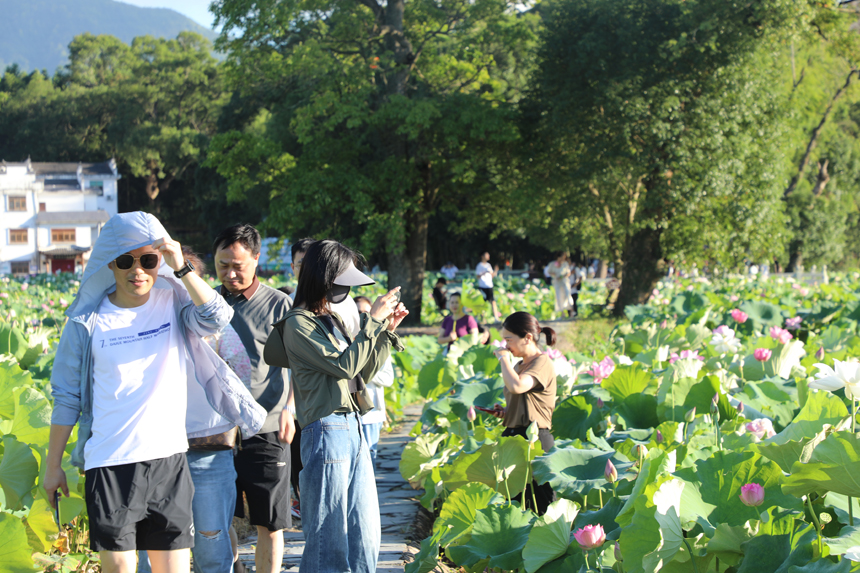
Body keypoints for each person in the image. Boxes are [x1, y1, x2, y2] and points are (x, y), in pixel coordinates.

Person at [45, 212, 265, 573]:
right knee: (120, 568)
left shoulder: (174, 303)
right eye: (125, 261)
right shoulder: (86, 322)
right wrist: (53, 467)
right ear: (109, 265)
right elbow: (66, 396)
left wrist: (181, 267)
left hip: (169, 460)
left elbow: (217, 317)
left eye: (149, 260)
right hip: (110, 462)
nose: (138, 271)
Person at [275, 239, 407, 573]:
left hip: (354, 427)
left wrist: (385, 333)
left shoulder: (329, 321)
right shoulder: (298, 323)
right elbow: (344, 366)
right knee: (328, 536)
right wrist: (372, 322)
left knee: (366, 532)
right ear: (323, 278)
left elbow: (362, 371)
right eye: (342, 283)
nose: (347, 290)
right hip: (325, 429)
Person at [138, 249, 256, 573]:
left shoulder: (201, 318)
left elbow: (240, 370)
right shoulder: (137, 322)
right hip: (154, 449)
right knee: (154, 550)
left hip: (205, 444)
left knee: (210, 543)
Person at [213, 224, 294, 573]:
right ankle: (235, 567)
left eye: (238, 265)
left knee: (270, 521)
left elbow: (298, 365)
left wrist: (290, 409)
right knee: (216, 516)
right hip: (216, 428)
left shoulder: (279, 304)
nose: (230, 273)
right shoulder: (206, 302)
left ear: (256, 259)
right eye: (222, 265)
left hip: (267, 424)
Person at [491, 312, 558, 515]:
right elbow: (522, 399)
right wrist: (506, 412)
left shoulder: (542, 362)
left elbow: (518, 386)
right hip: (513, 436)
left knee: (542, 502)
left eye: (509, 340)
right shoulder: (519, 365)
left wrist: (503, 359)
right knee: (515, 502)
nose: (505, 346)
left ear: (527, 337)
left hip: (534, 439)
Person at [354, 295, 396, 466]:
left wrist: (365, 369)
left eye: (366, 312)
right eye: (358, 312)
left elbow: (388, 378)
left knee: (369, 460)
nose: (362, 316)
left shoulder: (379, 340)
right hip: (349, 413)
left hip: (372, 414)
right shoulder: (344, 339)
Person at [475, 252, 500, 319]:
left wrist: (495, 271)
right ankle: (480, 318)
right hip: (482, 286)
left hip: (489, 286)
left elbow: (492, 275)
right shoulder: (479, 265)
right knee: (482, 302)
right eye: (487, 255)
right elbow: (477, 276)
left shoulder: (489, 265)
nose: (488, 256)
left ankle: (496, 317)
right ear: (482, 256)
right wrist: (484, 272)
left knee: (493, 301)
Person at [548, 253, 573, 318]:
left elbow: (568, 273)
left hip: (564, 282)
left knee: (567, 295)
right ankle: (562, 313)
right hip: (557, 282)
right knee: (559, 297)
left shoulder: (565, 264)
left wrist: (562, 276)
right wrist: (555, 275)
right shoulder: (553, 264)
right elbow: (549, 272)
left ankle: (571, 311)